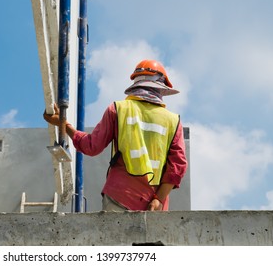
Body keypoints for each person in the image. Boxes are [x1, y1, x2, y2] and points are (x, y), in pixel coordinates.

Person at [43, 59, 187, 211]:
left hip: (119, 195)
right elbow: (177, 167)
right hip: (154, 205)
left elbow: (91, 146)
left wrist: (63, 124)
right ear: (160, 88)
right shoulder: (173, 121)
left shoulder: (118, 109)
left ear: (136, 83)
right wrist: (159, 199)